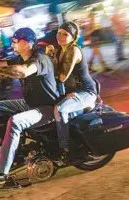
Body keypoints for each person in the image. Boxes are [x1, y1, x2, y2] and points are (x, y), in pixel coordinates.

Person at [0, 28, 59, 187]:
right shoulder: (21, 58)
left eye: (17, 40)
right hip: (31, 104)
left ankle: (0, 172)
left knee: (15, 122)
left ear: (28, 43)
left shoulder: (39, 59)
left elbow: (23, 72)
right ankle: (9, 150)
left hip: (48, 108)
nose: (13, 42)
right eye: (13, 40)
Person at [53, 21, 98, 153]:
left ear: (73, 37)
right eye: (59, 33)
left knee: (60, 109)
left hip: (86, 91)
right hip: (73, 91)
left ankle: (66, 148)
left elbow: (62, 77)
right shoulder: (60, 50)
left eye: (65, 34)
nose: (60, 36)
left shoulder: (73, 50)